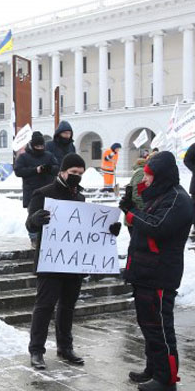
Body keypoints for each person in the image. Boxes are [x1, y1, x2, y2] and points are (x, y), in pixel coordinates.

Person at [25, 153, 119, 370]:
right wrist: (35, 220)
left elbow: (87, 228)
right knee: (44, 307)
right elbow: (30, 224)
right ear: (62, 172)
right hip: (50, 261)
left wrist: (109, 229)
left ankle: (65, 347)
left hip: (73, 263)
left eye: (80, 173)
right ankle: (36, 350)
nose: (76, 176)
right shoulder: (43, 194)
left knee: (68, 307)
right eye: (73, 172)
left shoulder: (80, 198)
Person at [120, 151, 193, 391]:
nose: (145, 180)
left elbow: (158, 227)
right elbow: (145, 222)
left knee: (160, 327)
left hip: (160, 274)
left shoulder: (177, 199)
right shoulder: (160, 196)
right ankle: (153, 368)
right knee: (148, 325)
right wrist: (134, 202)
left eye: (149, 176)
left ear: (161, 176)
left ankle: (166, 378)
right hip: (145, 272)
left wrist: (132, 213)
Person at [14, 132, 58, 246]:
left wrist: (49, 168)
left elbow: (57, 169)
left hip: (48, 191)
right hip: (31, 192)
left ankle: (47, 237)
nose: (40, 148)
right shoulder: (23, 157)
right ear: (32, 145)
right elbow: (18, 171)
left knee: (48, 215)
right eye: (37, 146)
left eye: (41, 146)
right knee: (33, 215)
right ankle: (34, 239)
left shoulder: (49, 156)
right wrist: (35, 170)